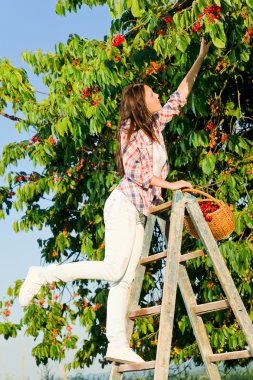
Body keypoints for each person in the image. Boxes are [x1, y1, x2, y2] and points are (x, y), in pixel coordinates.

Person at [19, 39, 211, 364]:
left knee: (124, 278)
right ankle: (41, 275)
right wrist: (171, 183)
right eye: (152, 94)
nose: (158, 97)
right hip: (123, 205)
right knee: (113, 269)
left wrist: (201, 56)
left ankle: (116, 343)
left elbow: (181, 97)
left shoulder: (154, 127)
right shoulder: (129, 130)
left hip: (139, 213)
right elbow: (138, 173)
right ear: (140, 102)